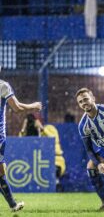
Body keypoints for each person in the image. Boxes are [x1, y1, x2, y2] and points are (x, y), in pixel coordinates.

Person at [0, 73, 42, 212]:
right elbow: (17, 107)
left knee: (0, 171)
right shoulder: (3, 85)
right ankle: (12, 204)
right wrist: (33, 106)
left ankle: (12, 204)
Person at [76, 88, 104, 211]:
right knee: (91, 167)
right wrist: (98, 165)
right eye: (80, 102)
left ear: (93, 98)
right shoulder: (83, 125)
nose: (84, 103)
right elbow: (89, 150)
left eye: (86, 99)